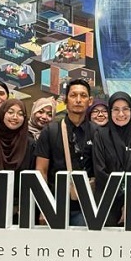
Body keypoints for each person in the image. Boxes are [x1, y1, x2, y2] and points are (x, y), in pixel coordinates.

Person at [36, 79, 95, 227]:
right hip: (56, 205)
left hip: (87, 208)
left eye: (83, 96)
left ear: (90, 101)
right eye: (73, 95)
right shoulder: (50, 131)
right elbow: (41, 171)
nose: (78, 100)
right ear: (65, 100)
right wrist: (44, 205)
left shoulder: (98, 132)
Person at [92, 92, 131, 226]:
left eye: (125, 109)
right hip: (107, 202)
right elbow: (100, 171)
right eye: (116, 109)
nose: (121, 114)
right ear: (110, 111)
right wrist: (120, 194)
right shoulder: (100, 135)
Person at [0, 98, 36, 222]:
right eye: (10, 112)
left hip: (22, 210)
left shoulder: (30, 144)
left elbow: (33, 176)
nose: (15, 117)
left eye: (20, 114)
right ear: (2, 114)